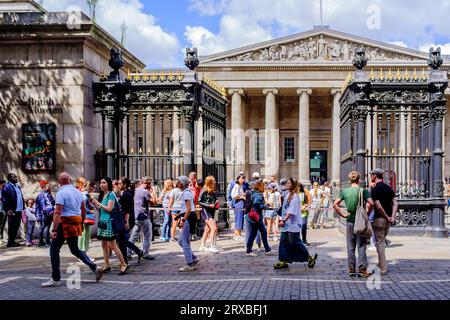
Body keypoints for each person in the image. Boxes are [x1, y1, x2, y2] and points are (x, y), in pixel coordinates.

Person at [41, 172, 102, 287]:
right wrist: (81, 223)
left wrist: (54, 230)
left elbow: (58, 212)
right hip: (76, 221)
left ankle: (55, 279)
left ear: (59, 181)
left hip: (64, 223)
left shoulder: (61, 193)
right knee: (75, 249)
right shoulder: (78, 192)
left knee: (54, 250)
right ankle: (94, 267)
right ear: (70, 180)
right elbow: (83, 210)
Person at [333, 171, 374, 278]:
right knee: (361, 246)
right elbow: (371, 203)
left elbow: (335, 204)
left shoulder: (345, 191)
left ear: (350, 180)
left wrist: (342, 214)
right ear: (359, 180)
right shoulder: (362, 191)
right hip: (360, 222)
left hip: (350, 221)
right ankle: (362, 269)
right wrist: (367, 213)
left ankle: (351, 269)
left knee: (351, 246)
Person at [274, 177, 318, 269]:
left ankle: (309, 258)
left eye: (288, 183)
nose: (286, 185)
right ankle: (283, 261)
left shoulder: (295, 197)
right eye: (286, 183)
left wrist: (283, 220)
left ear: (293, 185)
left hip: (292, 225)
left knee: (295, 243)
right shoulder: (288, 194)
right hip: (286, 225)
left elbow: (291, 211)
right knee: (283, 243)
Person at [89, 177, 129, 275]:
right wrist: (93, 202)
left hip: (109, 222)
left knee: (113, 245)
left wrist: (98, 203)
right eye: (101, 183)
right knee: (104, 245)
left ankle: (124, 264)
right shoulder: (104, 194)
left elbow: (109, 209)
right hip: (103, 222)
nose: (102, 185)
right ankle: (106, 264)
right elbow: (100, 208)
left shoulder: (111, 194)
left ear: (108, 184)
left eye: (104, 183)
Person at [370, 168, 398, 276]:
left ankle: (383, 268)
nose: (370, 176)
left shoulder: (375, 189)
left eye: (371, 175)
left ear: (374, 176)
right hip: (388, 221)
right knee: (381, 242)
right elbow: (395, 204)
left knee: (380, 243)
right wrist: (392, 217)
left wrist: (386, 217)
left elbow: (378, 206)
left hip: (379, 219)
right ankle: (380, 263)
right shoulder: (389, 188)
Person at [244, 180, 276, 257]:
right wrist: (265, 206)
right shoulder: (258, 194)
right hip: (256, 217)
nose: (264, 187)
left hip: (251, 216)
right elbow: (256, 204)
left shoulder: (252, 192)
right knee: (263, 233)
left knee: (254, 233)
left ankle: (249, 250)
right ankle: (267, 250)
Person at [117, 177, 144, 264]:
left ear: (124, 185)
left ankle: (125, 261)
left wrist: (126, 221)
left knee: (122, 240)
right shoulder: (126, 193)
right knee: (122, 240)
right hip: (126, 219)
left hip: (127, 219)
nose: (118, 185)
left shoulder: (126, 194)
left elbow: (127, 210)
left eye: (120, 183)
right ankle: (137, 252)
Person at [176, 176, 199, 271]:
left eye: (178, 182)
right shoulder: (187, 192)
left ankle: (189, 264)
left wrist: (183, 220)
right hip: (188, 217)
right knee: (181, 241)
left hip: (188, 218)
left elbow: (188, 208)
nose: (177, 184)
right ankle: (193, 258)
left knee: (185, 241)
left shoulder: (186, 194)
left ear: (182, 183)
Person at [127, 178, 154, 260]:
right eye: (150, 184)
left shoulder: (135, 190)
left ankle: (128, 253)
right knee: (147, 236)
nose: (150, 185)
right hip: (144, 216)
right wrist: (152, 193)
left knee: (134, 236)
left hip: (136, 216)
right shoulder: (145, 192)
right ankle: (145, 253)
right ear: (146, 183)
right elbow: (153, 202)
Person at [1, 172, 25, 247]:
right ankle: (10, 242)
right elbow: (5, 199)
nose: (16, 178)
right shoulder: (7, 187)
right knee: (12, 226)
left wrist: (23, 208)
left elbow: (20, 197)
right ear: (9, 179)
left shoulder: (17, 186)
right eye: (14, 177)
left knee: (16, 226)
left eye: (16, 177)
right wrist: (8, 209)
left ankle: (13, 241)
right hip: (12, 210)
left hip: (19, 210)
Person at [198, 176, 220, 253]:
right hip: (205, 211)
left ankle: (202, 246)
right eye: (213, 181)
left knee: (207, 229)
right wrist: (209, 205)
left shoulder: (213, 191)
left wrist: (216, 203)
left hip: (211, 211)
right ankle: (211, 246)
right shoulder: (204, 190)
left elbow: (214, 200)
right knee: (214, 228)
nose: (215, 182)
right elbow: (199, 201)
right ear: (210, 182)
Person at [76, 178, 95, 258]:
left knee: (83, 235)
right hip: (85, 217)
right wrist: (89, 210)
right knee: (85, 236)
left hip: (82, 216)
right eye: (93, 187)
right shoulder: (85, 194)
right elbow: (82, 205)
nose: (94, 189)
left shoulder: (81, 193)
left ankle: (82, 253)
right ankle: (84, 254)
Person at [35, 180, 55, 247]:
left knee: (47, 227)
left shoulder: (49, 194)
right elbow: (37, 207)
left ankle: (47, 241)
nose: (49, 186)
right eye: (47, 185)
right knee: (42, 228)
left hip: (49, 214)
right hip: (43, 215)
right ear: (43, 186)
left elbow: (53, 203)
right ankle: (41, 242)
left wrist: (51, 194)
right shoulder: (40, 195)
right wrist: (38, 217)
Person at [231, 175, 246, 241]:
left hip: (241, 203)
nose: (243, 180)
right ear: (238, 179)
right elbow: (234, 196)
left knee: (240, 219)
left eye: (244, 179)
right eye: (242, 179)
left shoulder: (240, 186)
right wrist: (242, 197)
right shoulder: (236, 186)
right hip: (238, 203)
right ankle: (237, 235)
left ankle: (238, 234)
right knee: (238, 219)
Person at [0, 179, 6, 243]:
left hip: (4, 210)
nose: (4, 186)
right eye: (3, 185)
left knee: (3, 224)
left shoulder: (4, 191)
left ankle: (1, 237)